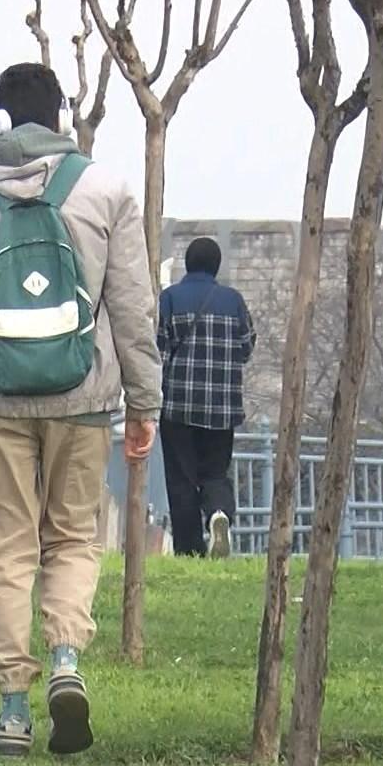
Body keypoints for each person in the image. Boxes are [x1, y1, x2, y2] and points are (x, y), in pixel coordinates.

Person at [0, 62, 162, 758]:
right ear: (62, 115)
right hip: (82, 398)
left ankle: (13, 711)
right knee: (73, 537)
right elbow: (133, 306)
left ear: (1, 119)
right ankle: (67, 663)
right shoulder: (104, 190)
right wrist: (144, 401)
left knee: (7, 548)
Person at [158, 236, 255, 559]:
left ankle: (190, 550)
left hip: (178, 407)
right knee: (215, 471)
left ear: (187, 264)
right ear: (216, 266)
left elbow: (157, 344)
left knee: (182, 478)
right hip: (222, 409)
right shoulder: (234, 301)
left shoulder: (169, 298)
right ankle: (219, 513)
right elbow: (246, 346)